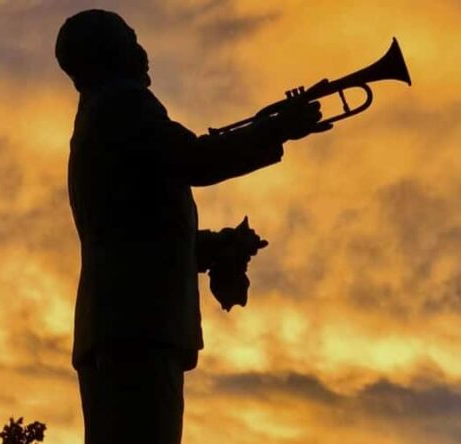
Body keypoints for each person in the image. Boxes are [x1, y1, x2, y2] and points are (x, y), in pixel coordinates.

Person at [55, 9, 330, 444]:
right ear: (109, 53)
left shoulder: (96, 118)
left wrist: (219, 246)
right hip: (139, 326)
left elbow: (140, 234)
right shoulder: (123, 103)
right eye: (131, 40)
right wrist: (278, 130)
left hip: (119, 325)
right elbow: (197, 160)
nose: (143, 52)